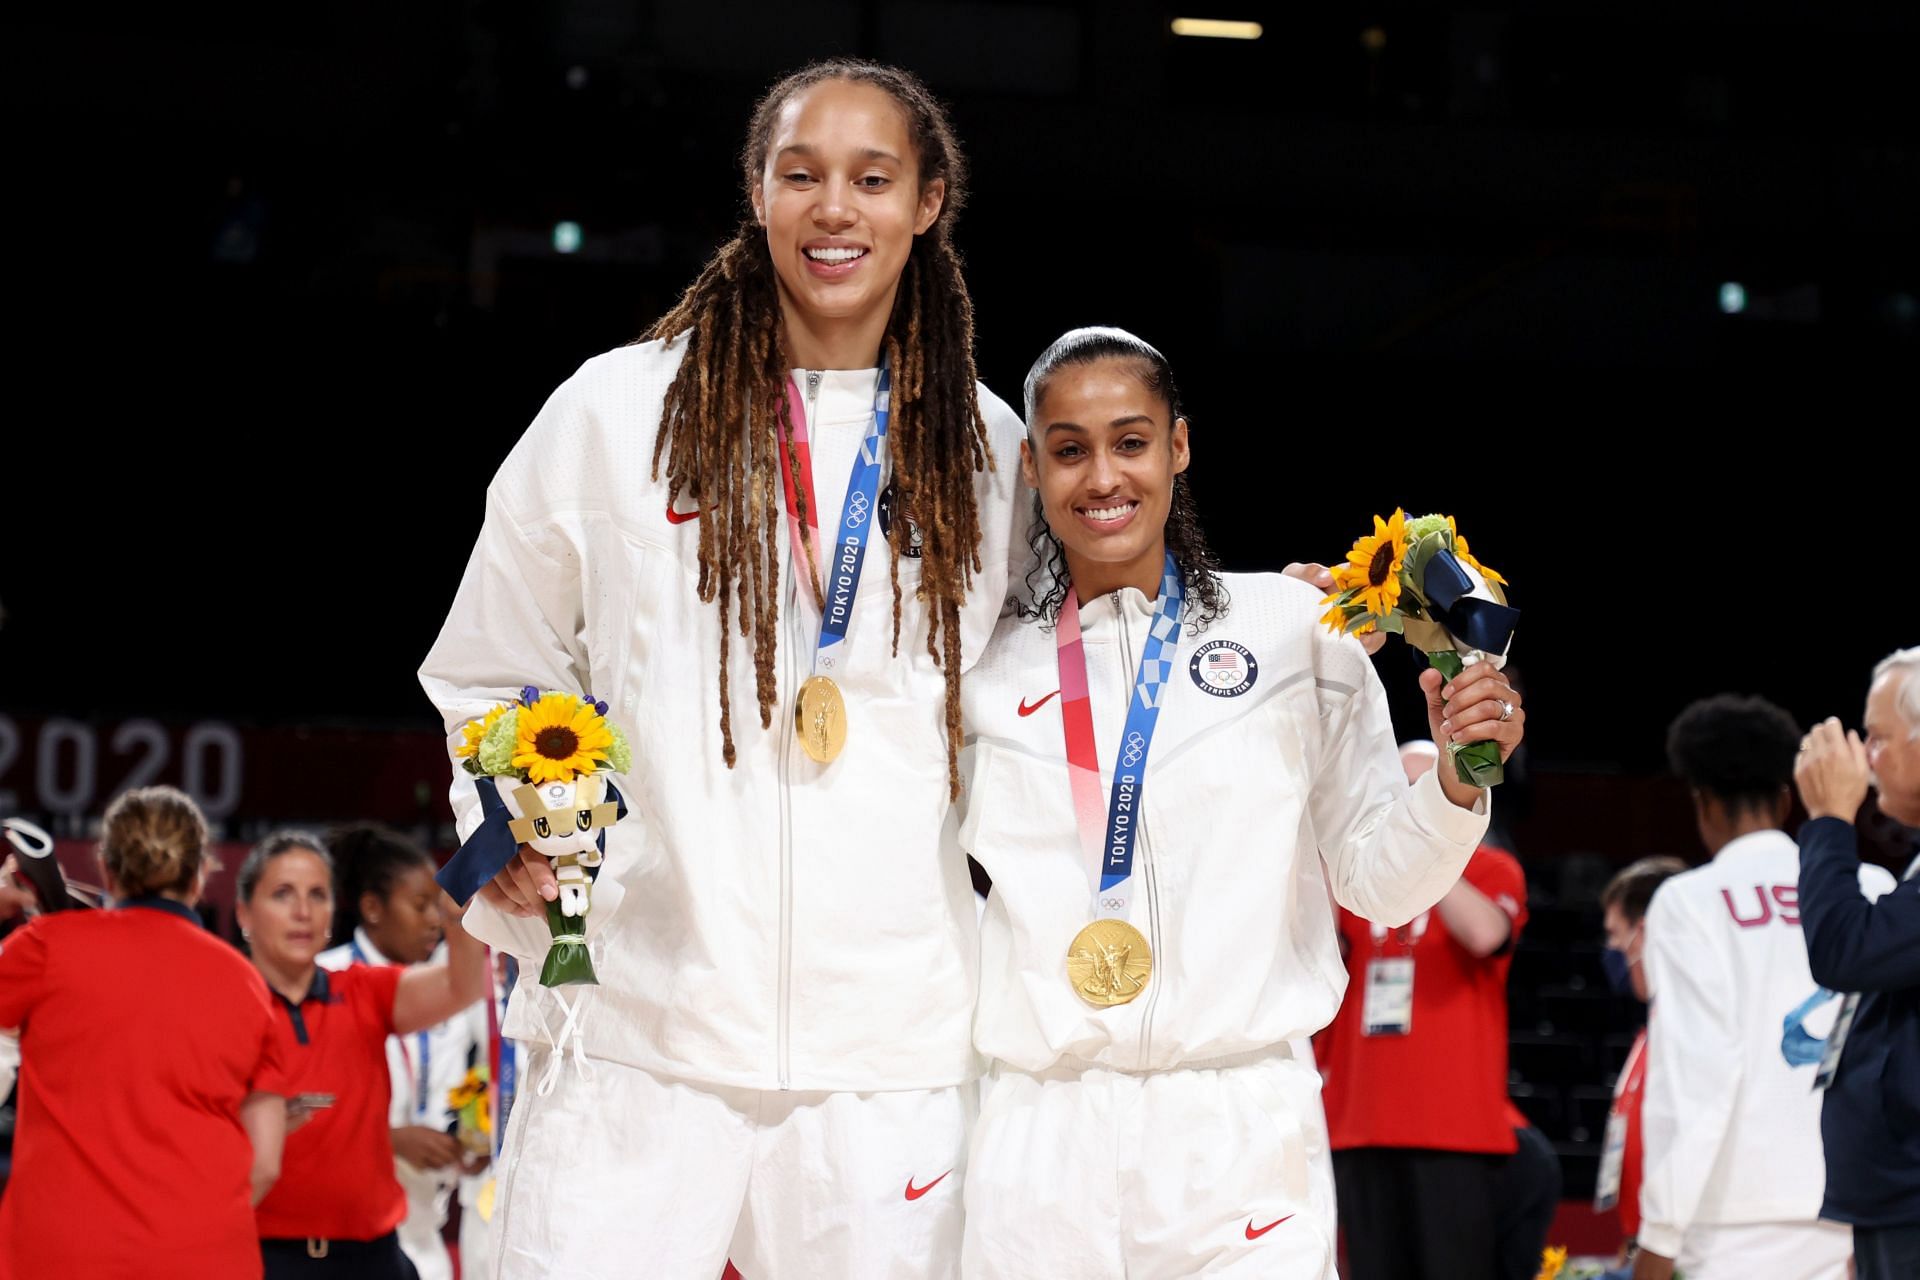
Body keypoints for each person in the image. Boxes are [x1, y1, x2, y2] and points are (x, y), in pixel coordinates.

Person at [954, 326, 1522, 1279]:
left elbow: (1381, 883)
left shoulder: (1295, 628)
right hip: (1038, 1128)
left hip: (1242, 1127)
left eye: (1131, 442)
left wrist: (1461, 785)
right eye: (1070, 449)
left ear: (1179, 446)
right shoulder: (976, 663)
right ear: (1032, 465)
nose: (1103, 477)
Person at [1634, 695, 1892, 1280]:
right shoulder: (1872, 885)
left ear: (1700, 802)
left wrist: (1660, 1233)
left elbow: (1698, 1075)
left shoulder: (1688, 900)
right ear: (1786, 798)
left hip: (1733, 1214)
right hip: (1860, 1206)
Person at [0, 786, 289, 1280]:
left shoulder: (46, 948)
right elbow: (265, 1164)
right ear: (199, 877)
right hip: (203, 1259)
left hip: (59, 1258)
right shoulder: (248, 985)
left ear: (107, 869)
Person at [1318, 739, 1533, 1280]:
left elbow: (1485, 934)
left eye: (1416, 794)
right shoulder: (1354, 879)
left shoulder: (1493, 867)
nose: (1402, 812)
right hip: (1358, 1122)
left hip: (1452, 1128)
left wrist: (1429, 854)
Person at [241, 831, 488, 1278]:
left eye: (317, 895)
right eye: (283, 894)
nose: (302, 911)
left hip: (373, 1256)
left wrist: (460, 921)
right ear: (244, 913)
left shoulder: (360, 989)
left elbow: (463, 987)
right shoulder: (224, 1007)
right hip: (262, 1255)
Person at [1794, 647, 1920, 1280]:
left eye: (1877, 738)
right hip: (1894, 1205)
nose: (1864, 760)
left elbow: (1844, 950)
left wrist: (1828, 820)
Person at [317, 824, 485, 1280]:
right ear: (373, 908)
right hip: (348, 1234)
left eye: (437, 904)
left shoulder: (450, 988)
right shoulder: (324, 979)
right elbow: (298, 1110)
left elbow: (481, 1075)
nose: (434, 918)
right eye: (419, 905)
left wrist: (475, 1134)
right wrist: (390, 1139)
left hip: (429, 1231)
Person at [1590, 855, 1688, 1277]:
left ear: (1644, 931)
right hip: (1645, 1250)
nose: (1611, 950)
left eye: (1616, 935)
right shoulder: (1650, 1033)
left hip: (1679, 1255)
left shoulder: (1691, 1034)